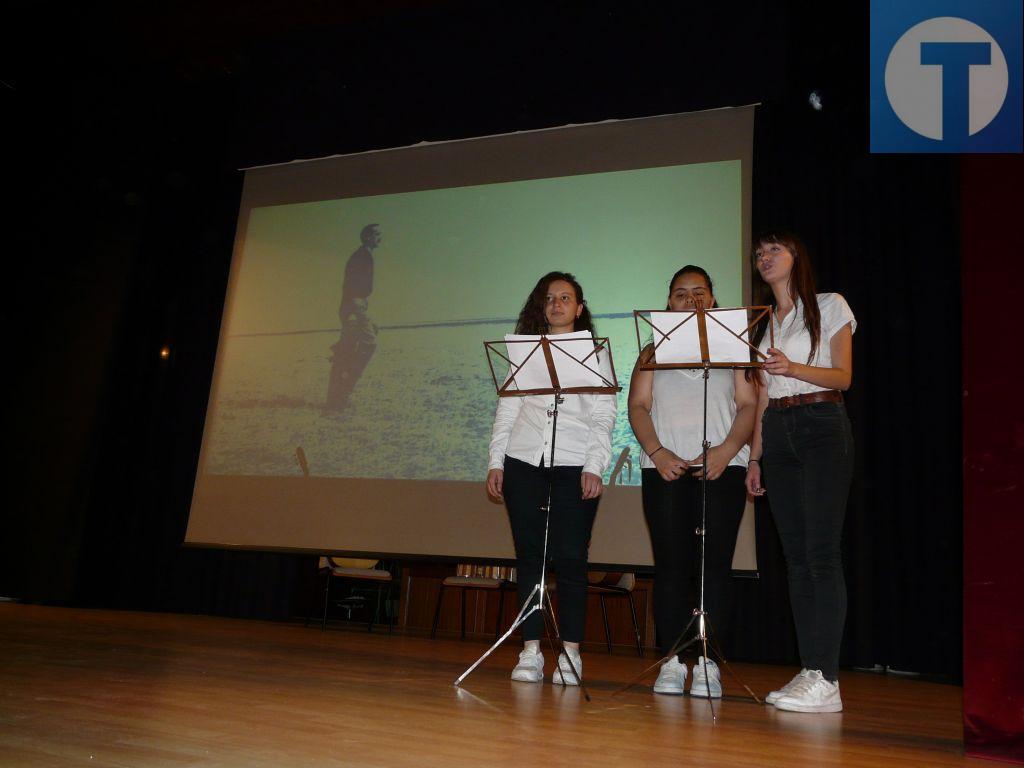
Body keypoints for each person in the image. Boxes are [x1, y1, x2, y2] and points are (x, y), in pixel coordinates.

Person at [628, 265, 756, 697]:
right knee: (670, 567)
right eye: (681, 294)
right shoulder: (652, 350)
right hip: (664, 469)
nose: (691, 300)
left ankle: (708, 663)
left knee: (714, 567)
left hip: (722, 467)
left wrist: (724, 451)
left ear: (714, 299)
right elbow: (639, 406)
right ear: (668, 303)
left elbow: (748, 404)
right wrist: (658, 453)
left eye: (699, 292)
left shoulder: (734, 347)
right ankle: (670, 659)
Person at [486, 272, 616, 685]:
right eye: (549, 298)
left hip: (575, 463)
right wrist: (496, 461)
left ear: (579, 308)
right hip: (524, 460)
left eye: (565, 298)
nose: (556, 304)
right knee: (530, 559)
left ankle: (571, 653)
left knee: (572, 558)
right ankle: (530, 651)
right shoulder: (524, 352)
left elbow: (603, 416)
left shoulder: (595, 353)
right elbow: (507, 409)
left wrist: (594, 466)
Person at [745, 231, 856, 713]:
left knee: (821, 553)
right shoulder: (761, 325)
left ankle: (827, 677)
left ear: (796, 257)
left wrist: (792, 367)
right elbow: (763, 397)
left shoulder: (828, 304)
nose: (764, 258)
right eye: (759, 254)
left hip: (821, 422)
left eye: (774, 250)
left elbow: (843, 377)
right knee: (795, 557)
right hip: (778, 429)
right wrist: (754, 456)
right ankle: (810, 669)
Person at [326, 223, 381, 410]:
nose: (379, 238)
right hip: (354, 306)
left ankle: (337, 398)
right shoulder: (362, 256)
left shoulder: (363, 256)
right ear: (367, 237)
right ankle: (343, 389)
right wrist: (356, 310)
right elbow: (351, 286)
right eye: (376, 234)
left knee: (346, 350)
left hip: (354, 306)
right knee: (368, 343)